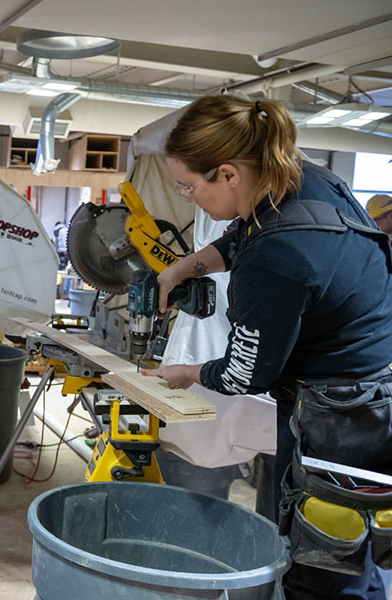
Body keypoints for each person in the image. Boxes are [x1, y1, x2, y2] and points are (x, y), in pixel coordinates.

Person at [141, 95, 392, 599]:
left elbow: (244, 375)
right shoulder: (300, 177)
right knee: (351, 541)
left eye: (189, 186)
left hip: (343, 415)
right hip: (370, 384)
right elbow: (243, 233)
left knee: (326, 559)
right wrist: (182, 267)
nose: (187, 197)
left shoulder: (276, 258)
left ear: (229, 174)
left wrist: (187, 373)